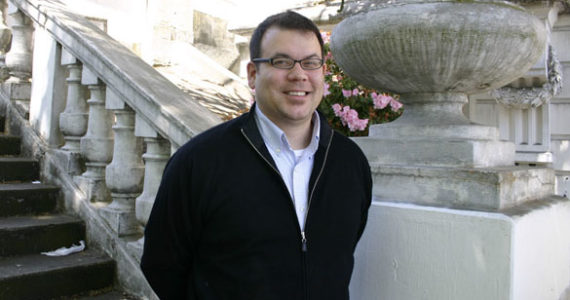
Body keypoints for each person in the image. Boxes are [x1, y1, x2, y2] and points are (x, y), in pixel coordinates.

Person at [140, 10, 372, 300]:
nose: (299, 74)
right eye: (282, 61)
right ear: (253, 74)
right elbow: (162, 266)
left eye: (311, 63)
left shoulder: (350, 163)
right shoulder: (199, 162)